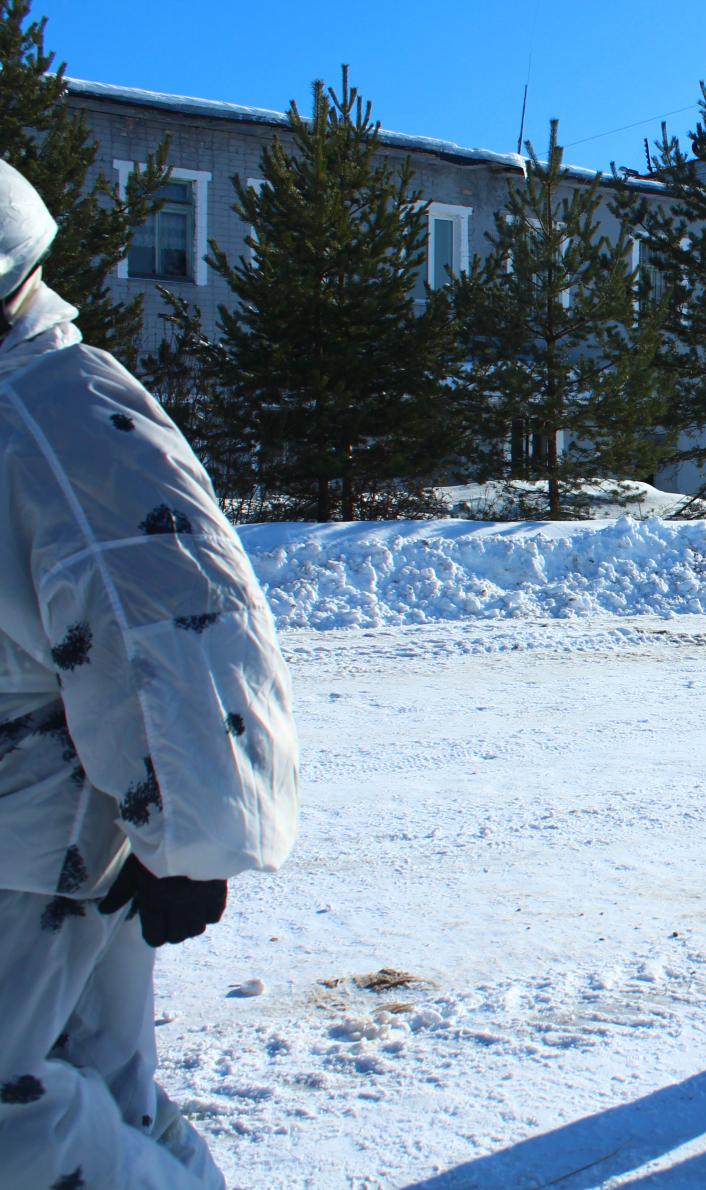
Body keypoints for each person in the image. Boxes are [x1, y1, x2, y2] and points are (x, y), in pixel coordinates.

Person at [0, 159, 299, 1187]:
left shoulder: (59, 410)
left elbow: (176, 617)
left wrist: (191, 837)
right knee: (93, 1082)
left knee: (19, 1112)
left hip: (50, 846)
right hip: (30, 839)